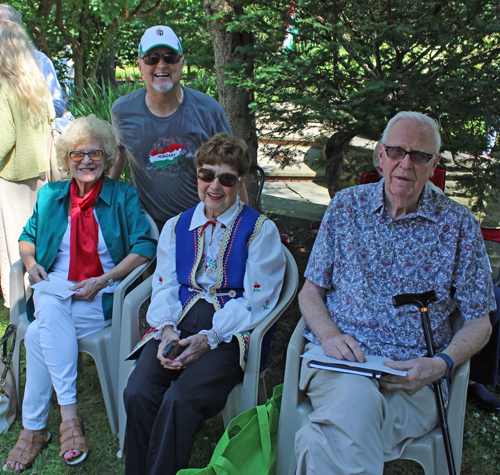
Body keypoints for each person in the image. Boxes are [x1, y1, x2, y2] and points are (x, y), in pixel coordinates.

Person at [295, 112, 496, 475]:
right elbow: (311, 292)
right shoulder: (345, 207)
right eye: (396, 151)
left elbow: (479, 321)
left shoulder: (458, 225)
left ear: (435, 162)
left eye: (419, 155)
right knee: (354, 403)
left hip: (415, 381)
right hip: (340, 363)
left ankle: (323, 437)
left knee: (328, 434)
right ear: (380, 155)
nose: (405, 164)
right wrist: (330, 335)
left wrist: (441, 364)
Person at [123, 132, 286, 475]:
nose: (215, 186)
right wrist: (166, 329)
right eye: (206, 175)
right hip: (179, 322)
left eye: (226, 179)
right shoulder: (176, 226)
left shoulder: (260, 230)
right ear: (197, 175)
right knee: (138, 392)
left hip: (231, 332)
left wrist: (209, 337)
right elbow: (165, 283)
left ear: (240, 182)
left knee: (179, 400)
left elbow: (259, 300)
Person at [3, 115, 157, 472]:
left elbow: (145, 244)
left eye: (95, 154)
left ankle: (34, 430)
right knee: (48, 297)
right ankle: (68, 418)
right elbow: (28, 236)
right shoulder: (51, 195)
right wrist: (29, 265)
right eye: (77, 155)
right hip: (55, 285)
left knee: (41, 333)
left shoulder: (122, 195)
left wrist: (105, 279)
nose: (86, 161)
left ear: (106, 158)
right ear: (66, 159)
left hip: (98, 292)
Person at [110, 25, 248, 232]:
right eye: (152, 58)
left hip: (200, 225)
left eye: (170, 57)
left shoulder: (208, 110)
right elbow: (118, 156)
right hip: (146, 225)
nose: (161, 65)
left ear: (182, 63)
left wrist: (247, 226)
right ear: (140, 65)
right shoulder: (122, 111)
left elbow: (234, 170)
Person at [0, 20, 54, 308]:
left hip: (11, 179)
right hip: (40, 174)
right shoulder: (34, 80)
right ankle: (41, 301)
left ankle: (19, 310)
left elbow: (3, 139)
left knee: (14, 250)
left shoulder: (2, 84)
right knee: (37, 242)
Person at [0, 4, 66, 119]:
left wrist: (27, 111)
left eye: (3, 25)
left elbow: (58, 106)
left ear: (17, 30)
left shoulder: (40, 61)